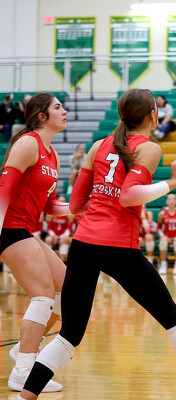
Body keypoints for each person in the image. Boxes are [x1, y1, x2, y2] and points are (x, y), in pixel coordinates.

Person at [18, 88, 176, 400]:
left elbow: (75, 205)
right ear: (153, 115)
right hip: (119, 245)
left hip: (84, 242)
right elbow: (128, 196)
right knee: (173, 320)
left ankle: (25, 397)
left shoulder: (98, 145)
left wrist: (102, 202)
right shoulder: (149, 148)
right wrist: (173, 182)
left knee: (69, 335)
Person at [0, 92, 68, 393]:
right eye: (57, 107)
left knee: (68, 293)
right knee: (43, 296)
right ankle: (23, 372)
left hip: (26, 230)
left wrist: (83, 207)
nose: (64, 111)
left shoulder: (53, 155)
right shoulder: (28, 143)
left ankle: (23, 349)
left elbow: (50, 205)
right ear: (41, 116)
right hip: (9, 228)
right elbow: (4, 187)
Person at [157, 193, 176, 275]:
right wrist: (162, 236)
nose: (171, 201)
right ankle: (163, 264)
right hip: (167, 236)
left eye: (173, 199)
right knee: (163, 242)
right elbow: (159, 228)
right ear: (166, 201)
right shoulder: (162, 213)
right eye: (169, 199)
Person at [44, 198, 73, 262]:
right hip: (53, 235)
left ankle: (61, 261)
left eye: (63, 201)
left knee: (64, 240)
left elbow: (68, 229)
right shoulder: (51, 213)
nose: (61, 203)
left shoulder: (69, 214)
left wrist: (61, 237)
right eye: (60, 201)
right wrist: (54, 236)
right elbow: (49, 229)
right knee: (48, 239)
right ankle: (49, 261)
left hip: (63, 236)